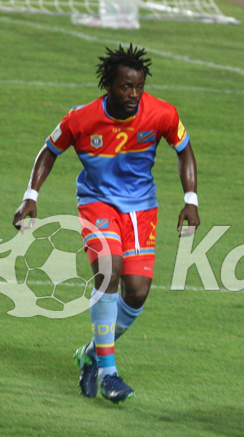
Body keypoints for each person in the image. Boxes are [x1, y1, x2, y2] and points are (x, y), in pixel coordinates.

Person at [13, 44, 200, 403]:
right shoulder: (81, 119)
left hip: (141, 210)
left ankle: (90, 354)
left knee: (137, 292)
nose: (134, 94)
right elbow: (49, 150)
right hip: (96, 204)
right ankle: (108, 374)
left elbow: (184, 150)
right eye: (126, 87)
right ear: (109, 86)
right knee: (108, 271)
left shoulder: (162, 113)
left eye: (139, 87)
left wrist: (190, 200)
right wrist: (30, 196)